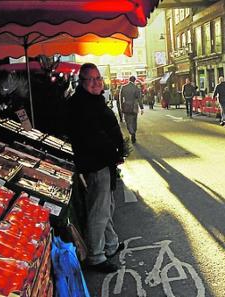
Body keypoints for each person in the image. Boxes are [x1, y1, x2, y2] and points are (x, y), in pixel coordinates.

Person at [65, 63, 126, 273]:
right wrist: (114, 152)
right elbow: (93, 137)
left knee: (105, 206)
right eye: (90, 79)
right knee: (98, 211)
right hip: (96, 162)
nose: (95, 83)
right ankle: (96, 256)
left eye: (98, 78)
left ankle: (110, 243)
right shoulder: (81, 104)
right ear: (81, 82)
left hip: (103, 162)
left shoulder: (93, 100)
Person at [119, 76, 144, 143]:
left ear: (129, 80)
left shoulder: (123, 87)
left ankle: (131, 131)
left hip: (126, 107)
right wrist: (141, 108)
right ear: (134, 80)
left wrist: (121, 106)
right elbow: (139, 99)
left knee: (128, 121)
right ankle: (134, 133)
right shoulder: (136, 88)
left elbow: (120, 98)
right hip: (134, 107)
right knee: (134, 121)